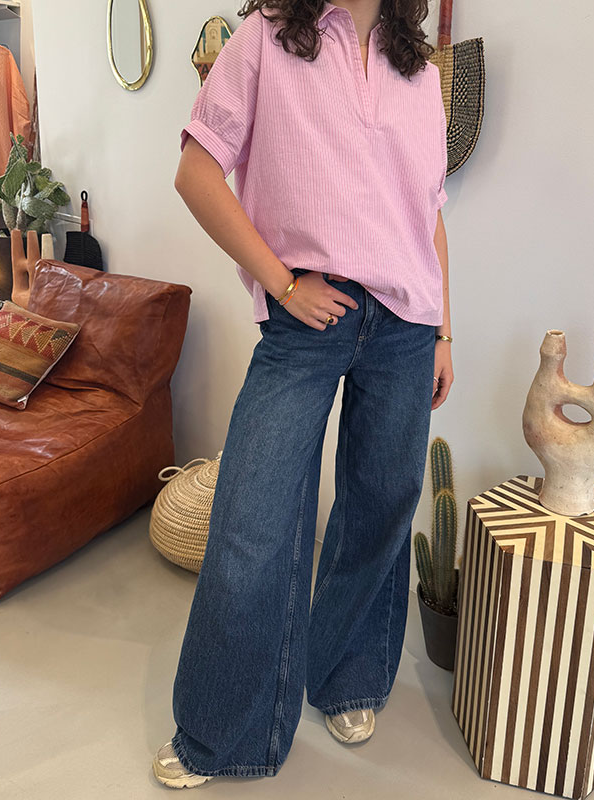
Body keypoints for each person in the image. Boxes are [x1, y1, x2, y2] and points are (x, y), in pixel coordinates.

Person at [153, 0, 452, 788]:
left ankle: (347, 678)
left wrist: (444, 331)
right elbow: (195, 172)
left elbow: (428, 215)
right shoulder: (266, 38)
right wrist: (282, 284)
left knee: (381, 503)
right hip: (307, 315)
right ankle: (223, 732)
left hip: (406, 325)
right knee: (252, 518)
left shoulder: (419, 71)